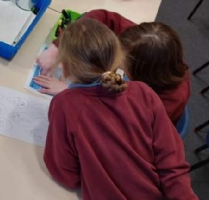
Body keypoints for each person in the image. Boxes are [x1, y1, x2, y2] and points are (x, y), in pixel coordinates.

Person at [44, 18, 209, 200]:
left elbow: (66, 176)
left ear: (65, 68)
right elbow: (173, 167)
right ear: (119, 59)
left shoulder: (64, 106)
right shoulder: (145, 92)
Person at [35, 10, 190, 125]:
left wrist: (74, 92)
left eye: (121, 62)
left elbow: (113, 123)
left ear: (141, 75)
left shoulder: (163, 103)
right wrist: (57, 47)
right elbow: (98, 17)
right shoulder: (143, 40)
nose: (115, 61)